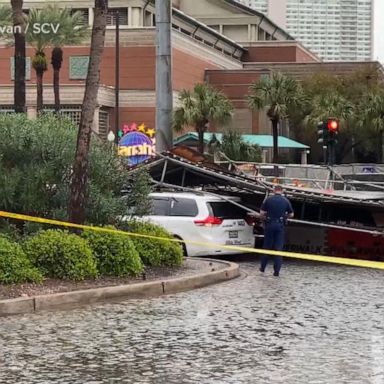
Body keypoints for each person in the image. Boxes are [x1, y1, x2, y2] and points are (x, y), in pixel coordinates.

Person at [259, 184, 294, 276]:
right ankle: (276, 271)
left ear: (274, 190)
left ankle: (262, 268)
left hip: (270, 224)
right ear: (281, 191)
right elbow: (291, 214)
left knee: (266, 247)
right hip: (280, 225)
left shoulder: (268, 200)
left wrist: (265, 219)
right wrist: (284, 216)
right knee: (278, 248)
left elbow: (261, 213)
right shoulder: (286, 201)